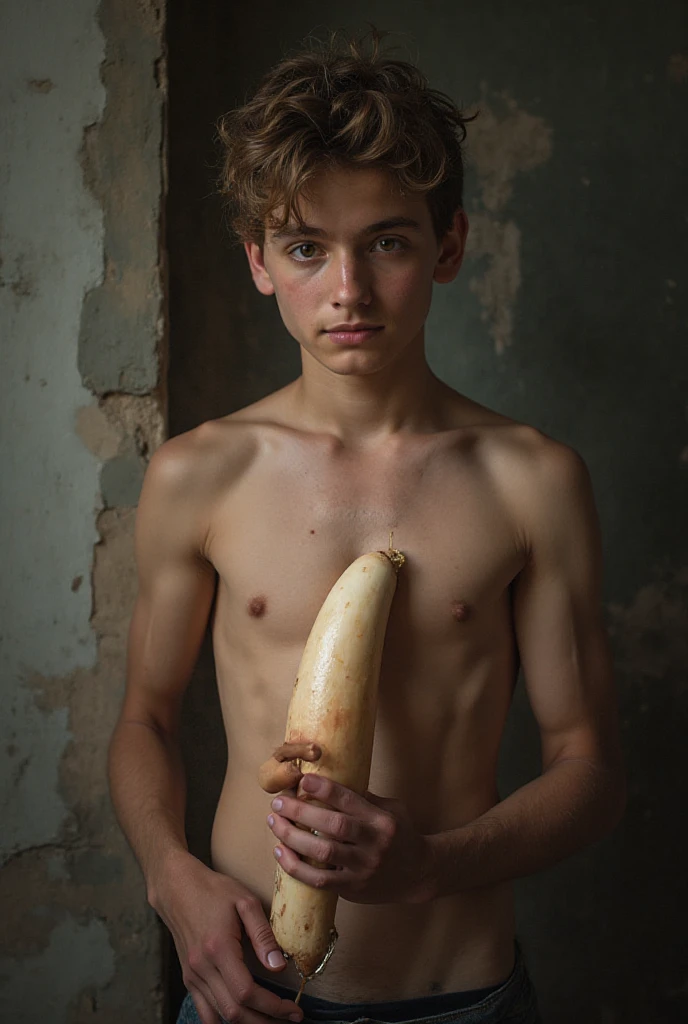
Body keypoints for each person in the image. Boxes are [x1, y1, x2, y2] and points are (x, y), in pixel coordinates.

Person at [108, 28, 626, 1024]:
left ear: (447, 245)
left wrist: (429, 863)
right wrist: (171, 876)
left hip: (458, 996)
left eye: (385, 241)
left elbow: (590, 769)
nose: (346, 289)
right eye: (307, 247)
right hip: (247, 992)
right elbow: (146, 718)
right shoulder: (198, 474)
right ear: (260, 261)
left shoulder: (532, 480)